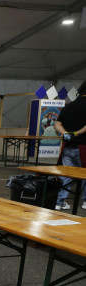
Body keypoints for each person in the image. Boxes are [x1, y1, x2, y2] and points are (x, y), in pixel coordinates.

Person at [54, 80, 86, 211]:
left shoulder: (69, 106)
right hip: (84, 146)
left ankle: (59, 201)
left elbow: (57, 124)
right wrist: (76, 133)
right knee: (84, 174)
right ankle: (85, 201)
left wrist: (67, 134)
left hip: (68, 147)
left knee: (65, 175)